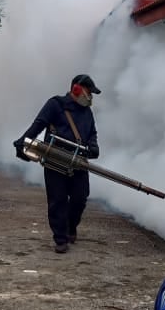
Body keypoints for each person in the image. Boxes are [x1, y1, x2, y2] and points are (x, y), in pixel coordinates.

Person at [14, 74, 101, 254]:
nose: (90, 96)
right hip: (54, 161)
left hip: (78, 163)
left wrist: (93, 147)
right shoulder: (55, 104)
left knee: (80, 199)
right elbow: (38, 125)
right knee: (57, 201)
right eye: (89, 92)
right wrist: (23, 141)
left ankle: (70, 227)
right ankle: (60, 239)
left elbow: (92, 133)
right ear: (76, 89)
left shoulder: (88, 113)